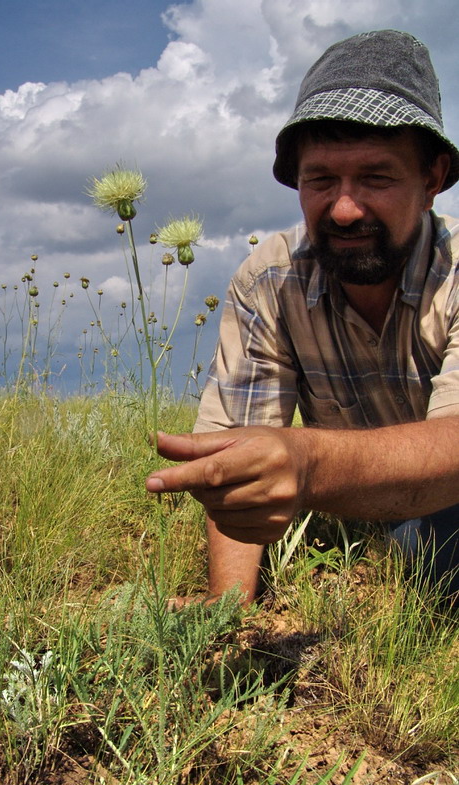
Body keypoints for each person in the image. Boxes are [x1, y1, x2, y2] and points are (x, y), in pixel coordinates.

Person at [146, 29, 459, 605]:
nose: (344, 208)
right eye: (320, 180)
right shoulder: (270, 280)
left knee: (433, 553)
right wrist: (230, 606)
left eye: (377, 178)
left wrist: (307, 463)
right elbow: (231, 454)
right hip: (365, 517)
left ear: (433, 179)